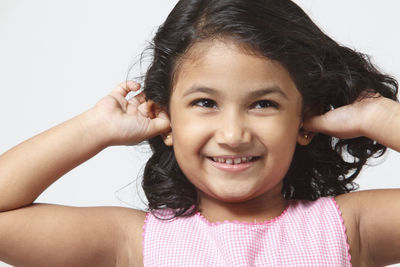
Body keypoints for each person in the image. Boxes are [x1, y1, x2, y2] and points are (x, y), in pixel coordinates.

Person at [0, 0, 400, 266]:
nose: (232, 134)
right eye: (205, 103)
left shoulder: (348, 229)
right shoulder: (136, 244)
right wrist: (94, 128)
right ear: (166, 119)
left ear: (304, 121)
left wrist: (377, 115)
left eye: (264, 104)